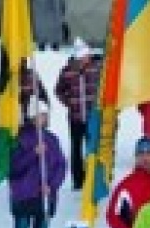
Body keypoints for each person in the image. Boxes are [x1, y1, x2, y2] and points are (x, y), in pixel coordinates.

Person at [8, 102, 67, 228]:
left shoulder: (52, 139)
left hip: (44, 199)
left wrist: (52, 185)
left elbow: (60, 166)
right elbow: (13, 168)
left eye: (46, 115)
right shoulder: (19, 139)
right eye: (42, 115)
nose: (45, 118)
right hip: (24, 198)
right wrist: (32, 153)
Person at [54, 39, 101, 189]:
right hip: (75, 117)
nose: (82, 60)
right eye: (79, 58)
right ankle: (78, 180)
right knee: (76, 148)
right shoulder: (67, 71)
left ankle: (93, 178)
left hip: (93, 116)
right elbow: (58, 90)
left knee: (92, 148)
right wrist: (69, 101)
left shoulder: (97, 68)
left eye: (85, 57)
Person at [106, 137, 150, 228]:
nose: (145, 158)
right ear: (136, 157)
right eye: (141, 153)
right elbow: (112, 215)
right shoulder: (126, 185)